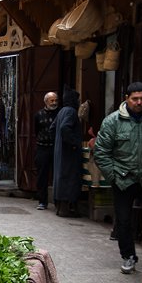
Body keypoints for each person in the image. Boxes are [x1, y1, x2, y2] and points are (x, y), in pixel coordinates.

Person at [94, 82, 142, 275]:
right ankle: (128, 256)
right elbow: (101, 152)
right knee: (123, 219)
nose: (139, 102)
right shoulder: (112, 121)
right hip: (123, 178)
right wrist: (113, 176)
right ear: (127, 99)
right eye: (135, 99)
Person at [50, 85, 82, 218]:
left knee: (61, 177)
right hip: (68, 153)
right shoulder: (70, 112)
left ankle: (60, 207)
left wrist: (58, 142)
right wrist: (73, 143)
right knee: (69, 178)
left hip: (60, 151)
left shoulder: (62, 111)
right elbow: (65, 128)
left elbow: (53, 128)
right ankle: (66, 209)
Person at [33, 92, 59, 210]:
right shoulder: (39, 115)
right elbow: (36, 130)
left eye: (55, 100)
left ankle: (58, 201)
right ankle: (42, 201)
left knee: (57, 174)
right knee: (42, 175)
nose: (54, 103)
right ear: (46, 101)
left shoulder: (59, 114)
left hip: (55, 147)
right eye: (51, 100)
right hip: (42, 147)